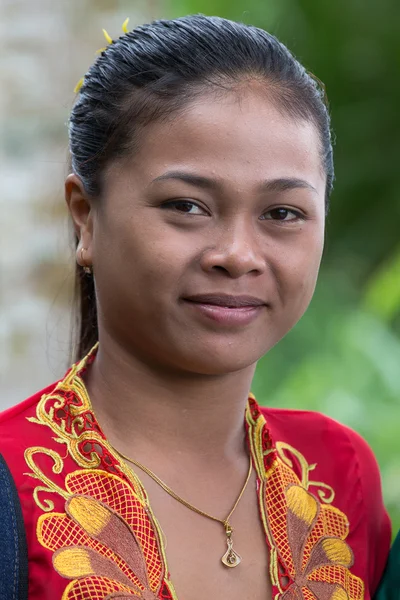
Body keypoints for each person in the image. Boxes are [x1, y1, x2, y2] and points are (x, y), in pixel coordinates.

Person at [0, 14, 391, 600]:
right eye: (186, 205)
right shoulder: (13, 483)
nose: (237, 255)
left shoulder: (339, 474)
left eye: (282, 213)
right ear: (85, 216)